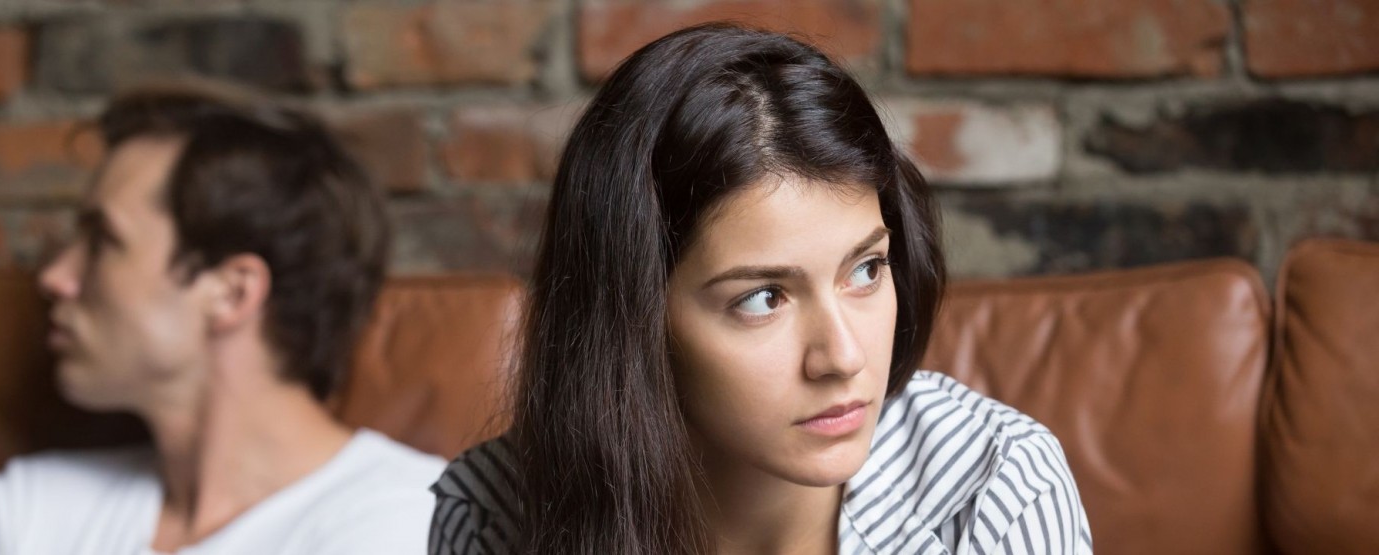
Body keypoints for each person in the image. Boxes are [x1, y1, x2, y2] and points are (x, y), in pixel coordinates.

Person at [429, 24, 1092, 554]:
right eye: (763, 298)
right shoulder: (492, 516)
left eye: (865, 270)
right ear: (634, 319)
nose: (843, 357)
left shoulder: (993, 490)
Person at [0, 84, 445, 554]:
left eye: (103, 242)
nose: (56, 277)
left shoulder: (417, 521)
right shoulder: (30, 508)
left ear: (230, 293)